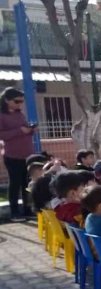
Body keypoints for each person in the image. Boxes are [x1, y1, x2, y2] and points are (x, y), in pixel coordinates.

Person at [0, 88, 36, 220]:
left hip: (27, 155)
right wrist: (20, 131)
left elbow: (25, 128)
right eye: (17, 101)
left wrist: (31, 130)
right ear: (6, 100)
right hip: (12, 156)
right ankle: (14, 212)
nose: (20, 104)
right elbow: (2, 134)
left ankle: (27, 209)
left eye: (22, 101)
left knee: (26, 184)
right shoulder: (2, 116)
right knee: (15, 184)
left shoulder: (19, 114)